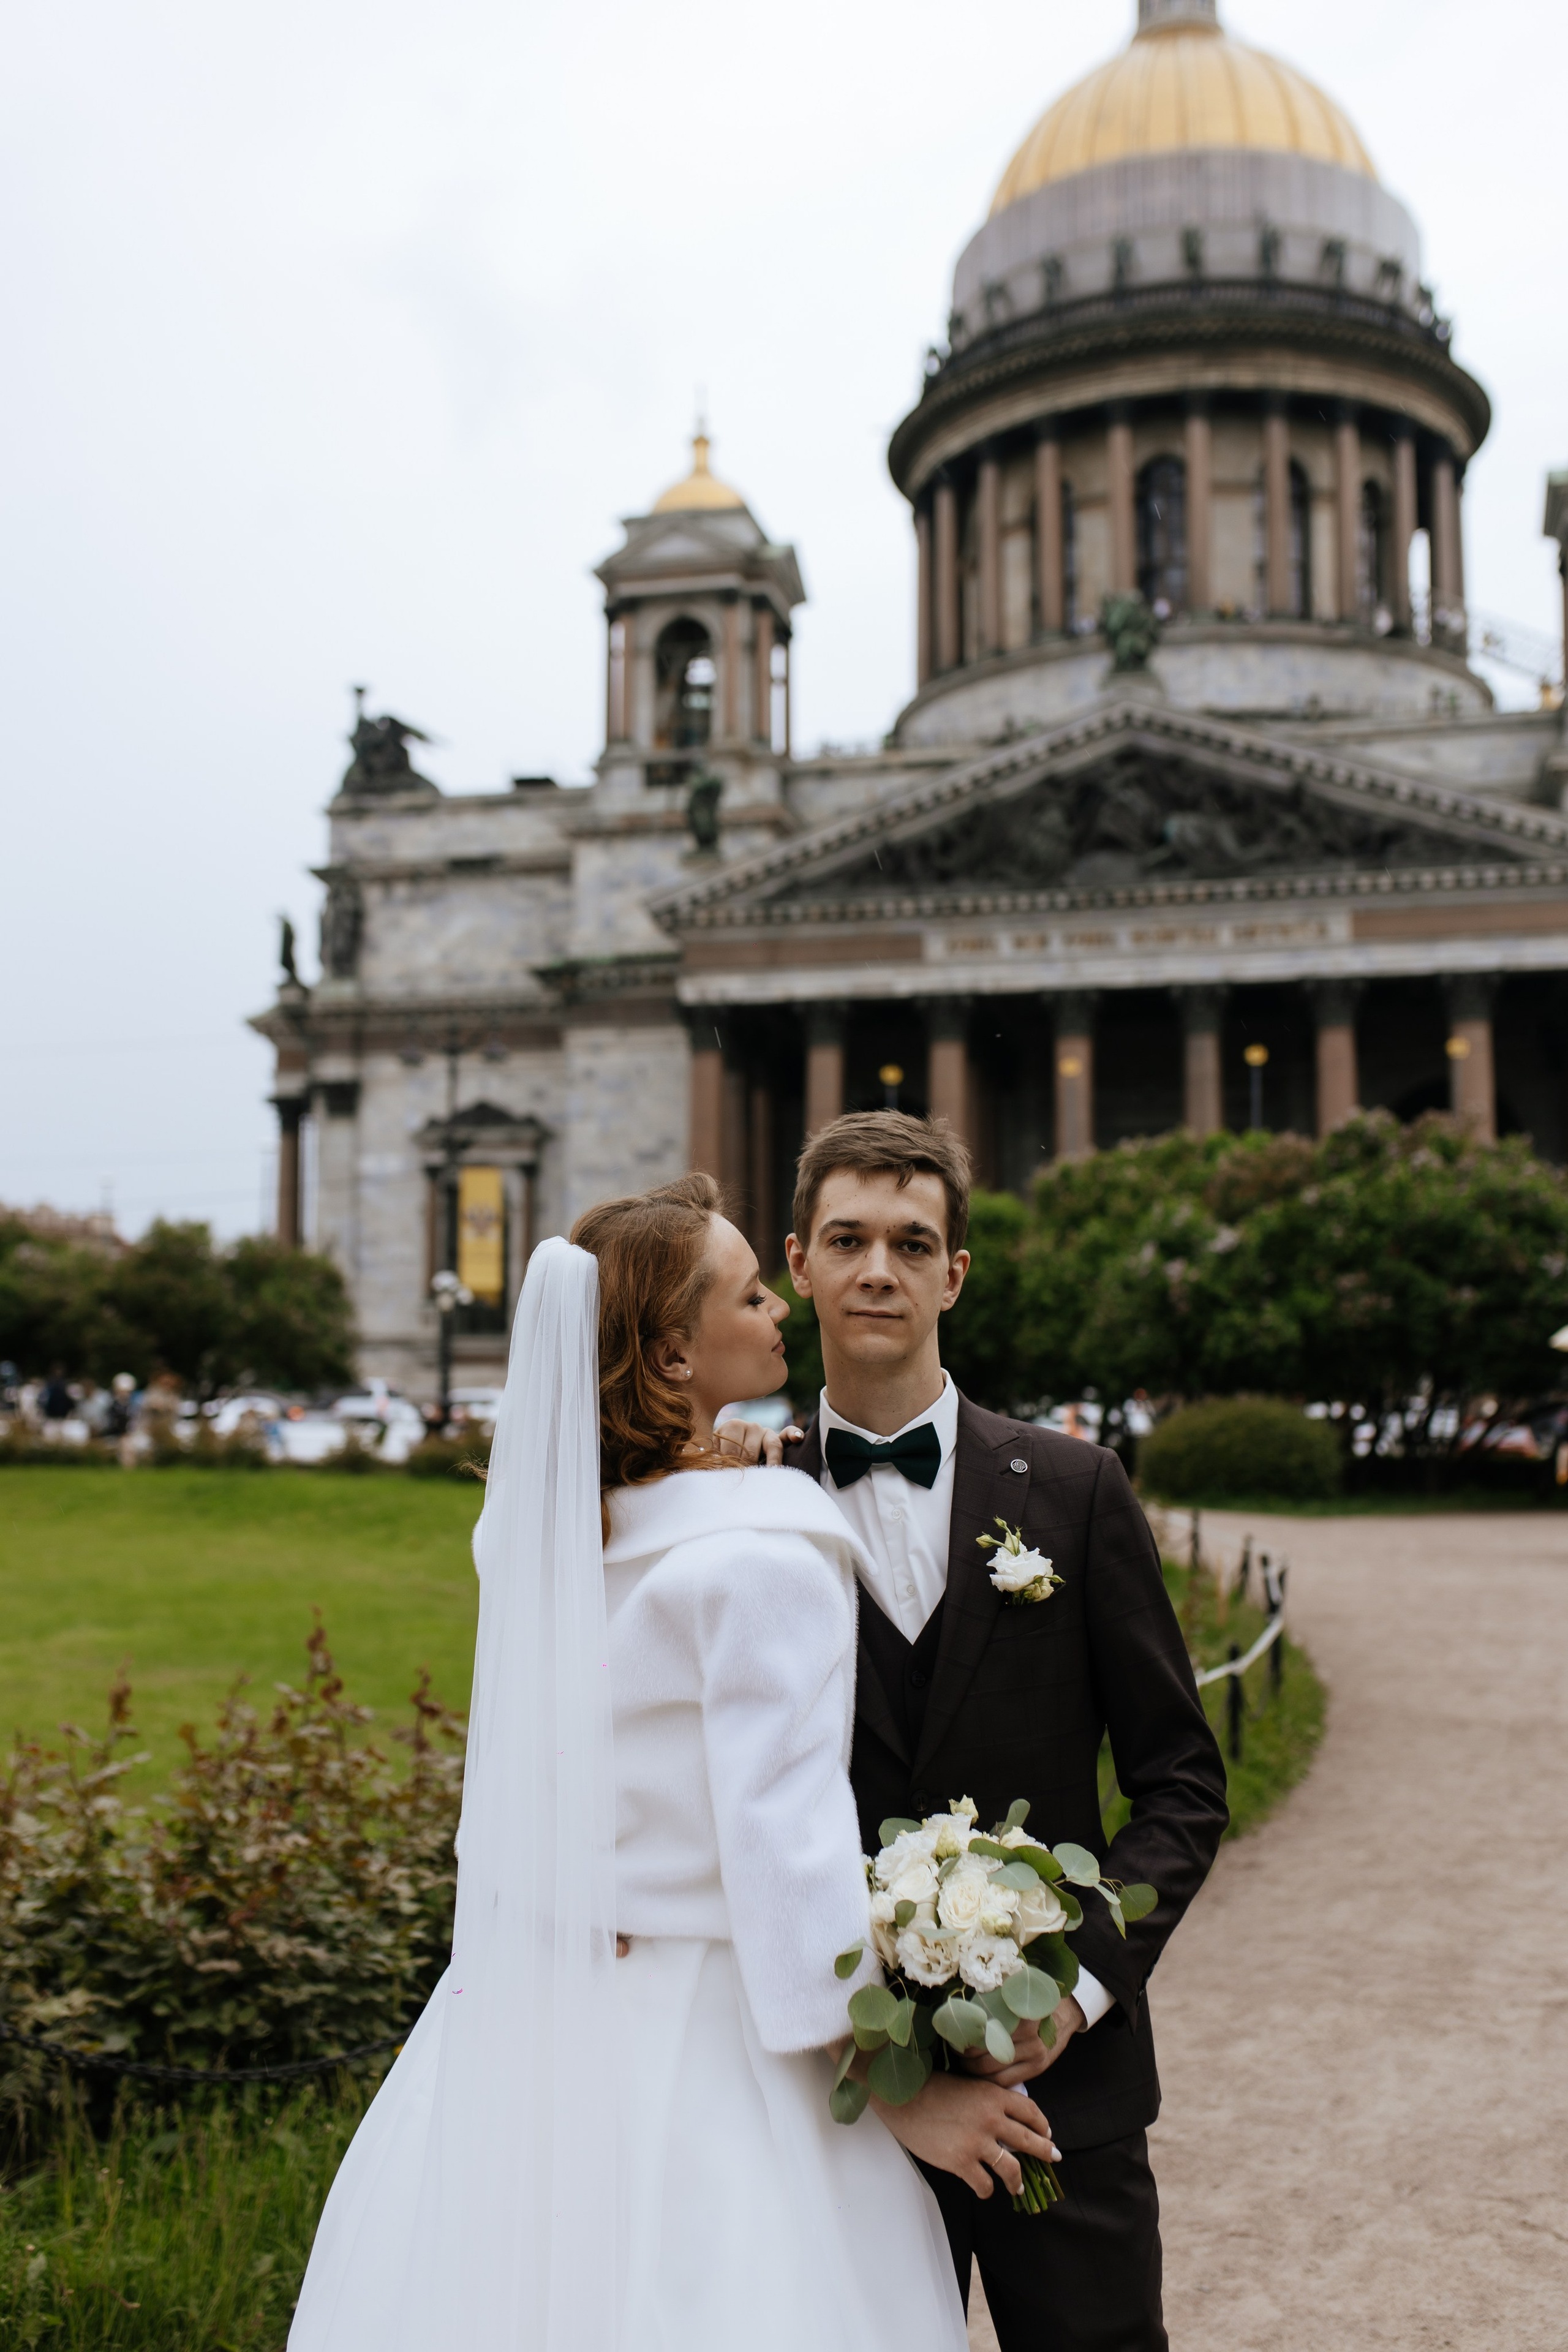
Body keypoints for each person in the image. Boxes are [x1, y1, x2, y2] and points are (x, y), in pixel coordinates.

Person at [288, 1174, 1052, 2352]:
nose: (781, 1310)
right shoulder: (764, 1557)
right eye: (752, 1294)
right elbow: (785, 1854)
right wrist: (901, 2093)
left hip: (540, 2018)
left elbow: (518, 1796)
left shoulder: (543, 1534)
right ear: (677, 1357)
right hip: (725, 2034)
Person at [778, 1112, 1229, 2352]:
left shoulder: (1074, 1492)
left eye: (911, 1243)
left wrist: (1075, 1991)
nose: (879, 1269)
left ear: (953, 1274)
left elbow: (1180, 1784)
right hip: (834, 2114)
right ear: (796, 1265)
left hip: (1059, 2106)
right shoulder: (741, 1503)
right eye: (848, 1238)